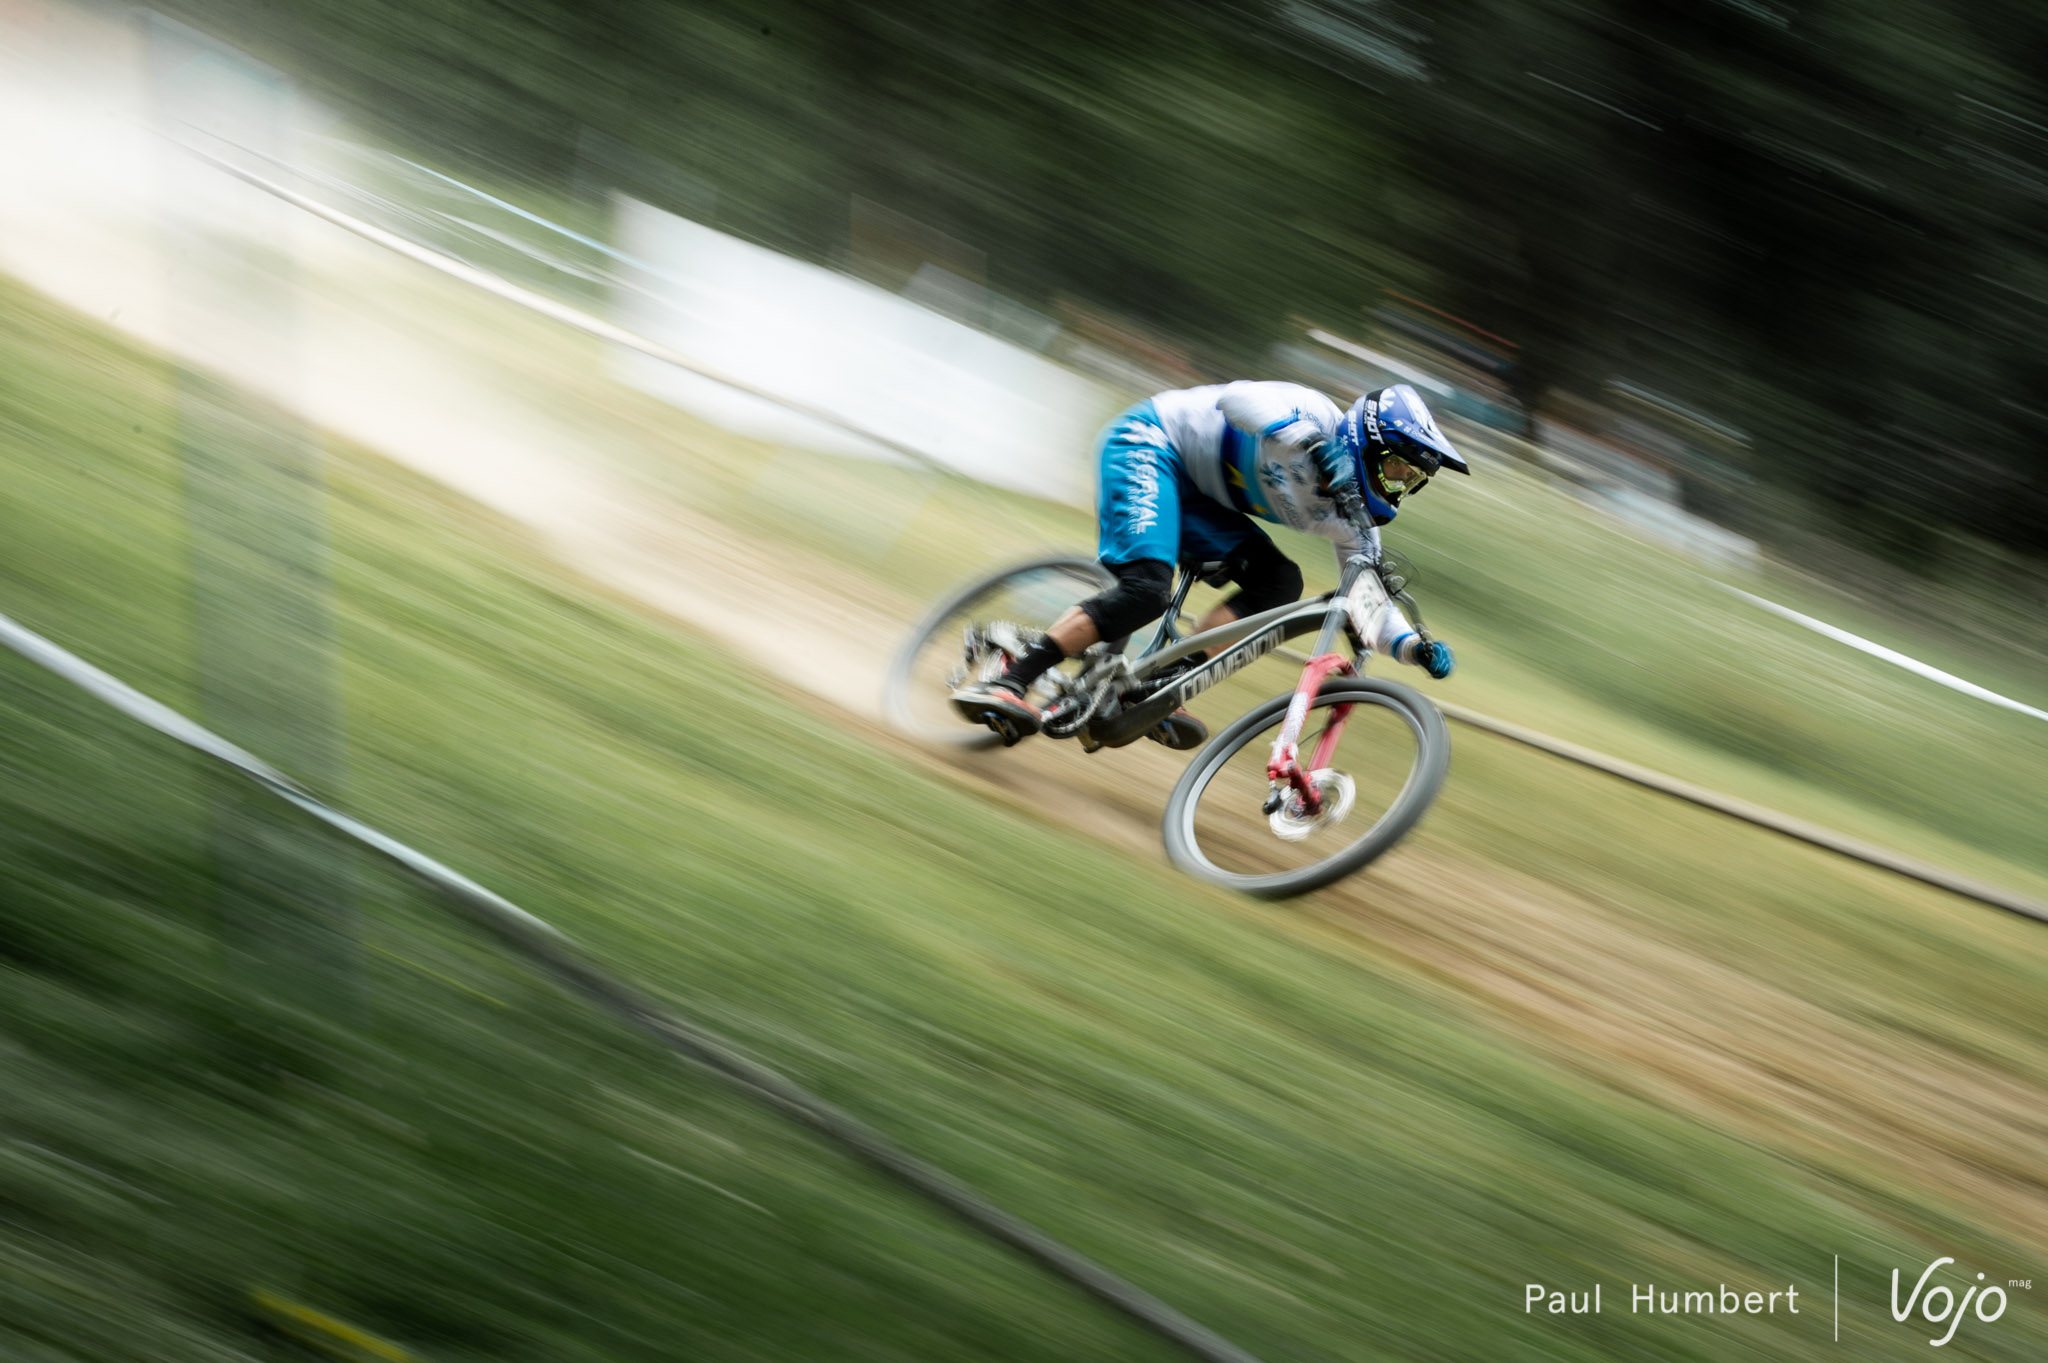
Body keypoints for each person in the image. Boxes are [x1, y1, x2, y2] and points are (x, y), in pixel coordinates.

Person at [950, 380, 1465, 745]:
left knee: (1280, 582)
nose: (1398, 487)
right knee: (1146, 591)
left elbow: (1368, 598)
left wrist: (1413, 649)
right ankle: (1013, 675)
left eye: (1411, 480)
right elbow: (1236, 399)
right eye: (1395, 469)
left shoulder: (1352, 516)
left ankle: (1154, 690)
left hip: (1202, 499)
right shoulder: (1313, 414)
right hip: (1150, 444)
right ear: (1364, 444)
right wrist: (1309, 441)